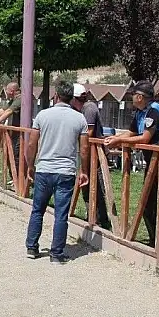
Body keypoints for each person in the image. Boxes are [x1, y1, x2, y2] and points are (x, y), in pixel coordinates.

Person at [104, 80, 159, 247]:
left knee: (155, 201)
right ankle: (155, 239)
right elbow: (132, 132)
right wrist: (116, 138)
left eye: (133, 95)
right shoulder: (141, 112)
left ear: (140, 97)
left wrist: (119, 140)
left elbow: (145, 138)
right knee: (148, 201)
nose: (131, 98)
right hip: (152, 160)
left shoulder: (154, 111)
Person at [25, 81, 89, 263]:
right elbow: (84, 149)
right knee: (61, 214)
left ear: (56, 96)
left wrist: (30, 165)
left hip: (44, 169)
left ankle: (32, 247)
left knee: (38, 210)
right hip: (66, 171)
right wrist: (83, 170)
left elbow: (32, 144)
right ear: (71, 98)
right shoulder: (79, 119)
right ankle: (56, 253)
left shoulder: (42, 115)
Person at [69, 83, 113, 230]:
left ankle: (102, 221)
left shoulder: (89, 108)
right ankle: (92, 216)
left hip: (96, 155)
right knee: (86, 186)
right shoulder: (77, 110)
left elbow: (88, 133)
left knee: (98, 187)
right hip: (86, 152)